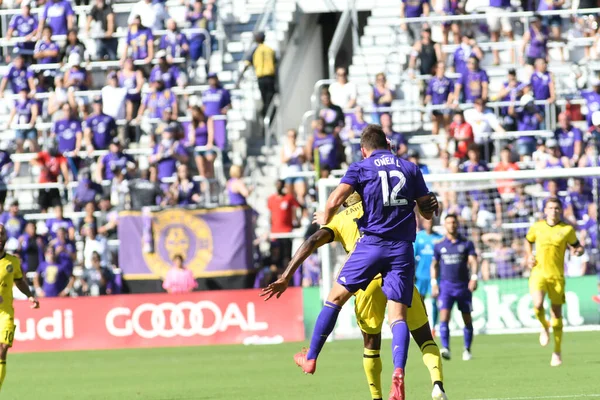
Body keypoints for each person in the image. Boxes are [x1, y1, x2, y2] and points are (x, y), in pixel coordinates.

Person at [289, 125, 439, 400]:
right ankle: (399, 371)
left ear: (363, 149)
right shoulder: (410, 168)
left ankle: (310, 357)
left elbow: (336, 198)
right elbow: (427, 211)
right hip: (402, 249)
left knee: (334, 298)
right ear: (389, 145)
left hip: (371, 245)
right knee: (398, 318)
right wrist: (432, 207)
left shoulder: (361, 167)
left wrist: (325, 214)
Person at [261, 192, 447, 400]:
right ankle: (436, 384)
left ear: (346, 199)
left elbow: (312, 241)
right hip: (397, 273)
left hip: (366, 283)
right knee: (422, 336)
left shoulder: (340, 219)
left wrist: (287, 275)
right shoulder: (379, 207)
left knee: (371, 345)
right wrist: (425, 200)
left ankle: (375, 395)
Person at [525, 198, 584, 366]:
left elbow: (578, 246)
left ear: (561, 210)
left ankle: (557, 352)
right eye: (550, 208)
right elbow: (528, 241)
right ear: (545, 210)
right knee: (537, 305)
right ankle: (544, 326)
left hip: (557, 276)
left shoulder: (567, 230)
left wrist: (578, 252)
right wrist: (529, 256)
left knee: (556, 313)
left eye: (557, 208)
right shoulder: (537, 227)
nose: (554, 211)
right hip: (538, 273)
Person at [431, 214, 479, 361]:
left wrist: (474, 277)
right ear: (444, 225)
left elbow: (473, 261)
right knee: (444, 317)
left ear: (457, 224)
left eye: (454, 222)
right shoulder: (439, 244)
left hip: (463, 286)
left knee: (467, 318)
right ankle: (445, 348)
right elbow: (434, 265)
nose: (451, 225)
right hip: (446, 286)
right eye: (449, 223)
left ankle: (467, 349)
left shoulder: (466, 243)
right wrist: (434, 283)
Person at [0, 224, 40, 392]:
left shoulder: (13, 261)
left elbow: (20, 281)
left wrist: (30, 295)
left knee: (2, 350)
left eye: (1, 234)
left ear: (5, 238)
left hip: (5, 313)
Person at [414, 217, 443, 335]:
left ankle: (434, 327)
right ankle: (420, 326)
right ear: (423, 223)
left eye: (431, 222)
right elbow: (413, 257)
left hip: (434, 277)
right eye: (427, 221)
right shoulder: (418, 238)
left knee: (434, 301)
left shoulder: (439, 239)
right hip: (420, 276)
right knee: (419, 302)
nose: (429, 224)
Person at [238, 32, 277, 114]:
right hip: (270, 77)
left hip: (261, 77)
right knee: (270, 96)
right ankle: (269, 112)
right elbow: (275, 62)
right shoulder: (270, 49)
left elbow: (247, 63)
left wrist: (240, 78)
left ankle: (267, 113)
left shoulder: (255, 50)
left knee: (265, 97)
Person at [267, 180, 301, 273]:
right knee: (274, 259)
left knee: (286, 258)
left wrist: (298, 221)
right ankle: (275, 279)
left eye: (280, 185)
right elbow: (270, 214)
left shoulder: (289, 198)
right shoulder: (271, 199)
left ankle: (286, 279)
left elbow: (299, 207)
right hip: (275, 234)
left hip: (286, 233)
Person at [31, 140, 69, 212]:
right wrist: (41, 166)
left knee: (57, 205)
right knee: (43, 206)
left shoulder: (60, 156)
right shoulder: (44, 154)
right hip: (43, 183)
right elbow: (32, 160)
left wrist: (66, 179)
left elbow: (64, 168)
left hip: (53, 183)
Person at [425, 62, 454, 135]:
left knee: (447, 126)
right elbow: (429, 94)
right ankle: (437, 145)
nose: (442, 70)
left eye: (443, 68)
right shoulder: (432, 81)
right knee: (435, 125)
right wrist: (425, 103)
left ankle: (446, 145)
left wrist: (449, 102)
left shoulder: (449, 81)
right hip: (435, 105)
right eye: (440, 68)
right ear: (436, 69)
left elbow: (451, 93)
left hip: (445, 105)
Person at [280, 129, 307, 206]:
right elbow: (282, 160)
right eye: (290, 136)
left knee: (301, 194)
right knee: (290, 197)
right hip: (288, 174)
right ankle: (293, 216)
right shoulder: (284, 148)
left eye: (293, 136)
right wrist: (291, 155)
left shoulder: (300, 148)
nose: (292, 138)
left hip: (298, 173)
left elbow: (304, 160)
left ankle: (303, 215)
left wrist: (300, 156)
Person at [188, 106, 215, 179]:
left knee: (210, 169)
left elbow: (211, 133)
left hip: (207, 147)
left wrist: (209, 143)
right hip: (198, 148)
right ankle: (203, 187)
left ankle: (211, 187)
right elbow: (192, 136)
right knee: (202, 171)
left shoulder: (208, 120)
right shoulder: (194, 123)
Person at [487, 0, 514, 65]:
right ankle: (496, 60)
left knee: (509, 33)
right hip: (493, 7)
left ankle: (513, 59)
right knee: (494, 34)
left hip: (506, 6)